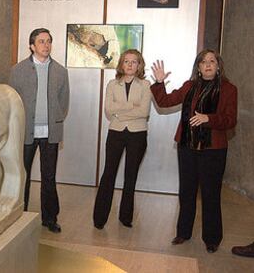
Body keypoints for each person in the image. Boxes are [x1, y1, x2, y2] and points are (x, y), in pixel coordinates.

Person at [150, 49, 238, 253]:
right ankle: (183, 233)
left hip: (213, 150)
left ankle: (212, 238)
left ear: (218, 66)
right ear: (198, 67)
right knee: (186, 192)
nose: (208, 64)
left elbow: (230, 120)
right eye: (203, 62)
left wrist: (209, 119)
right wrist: (159, 82)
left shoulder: (228, 89)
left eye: (212, 61)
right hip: (187, 147)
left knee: (210, 194)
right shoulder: (190, 86)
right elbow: (165, 102)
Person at [9, 28, 70, 233]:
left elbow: (64, 102)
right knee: (22, 175)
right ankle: (20, 215)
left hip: (50, 133)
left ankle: (50, 218)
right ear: (32, 46)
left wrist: (54, 118)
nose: (46, 45)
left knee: (49, 177)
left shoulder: (61, 72)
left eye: (49, 41)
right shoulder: (17, 71)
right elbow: (12, 102)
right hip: (26, 132)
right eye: (42, 41)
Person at [93, 49, 151, 229]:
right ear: (121, 64)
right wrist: (130, 106)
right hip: (116, 132)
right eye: (127, 61)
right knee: (108, 173)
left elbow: (144, 112)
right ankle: (99, 219)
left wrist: (121, 112)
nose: (130, 65)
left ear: (139, 65)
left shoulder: (146, 85)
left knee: (130, 175)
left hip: (137, 134)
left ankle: (126, 218)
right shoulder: (112, 84)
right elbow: (109, 110)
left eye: (134, 62)